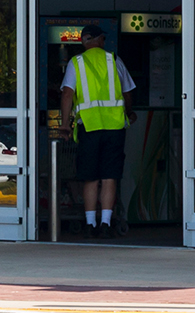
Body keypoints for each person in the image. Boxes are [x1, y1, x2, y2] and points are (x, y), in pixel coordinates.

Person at [57, 24, 136, 238]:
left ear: (83, 41)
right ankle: (106, 223)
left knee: (90, 177)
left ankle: (90, 224)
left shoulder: (76, 63)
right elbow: (128, 92)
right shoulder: (114, 60)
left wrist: (65, 124)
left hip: (89, 127)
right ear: (99, 39)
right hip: (115, 127)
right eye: (103, 38)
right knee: (110, 176)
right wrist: (129, 113)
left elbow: (67, 94)